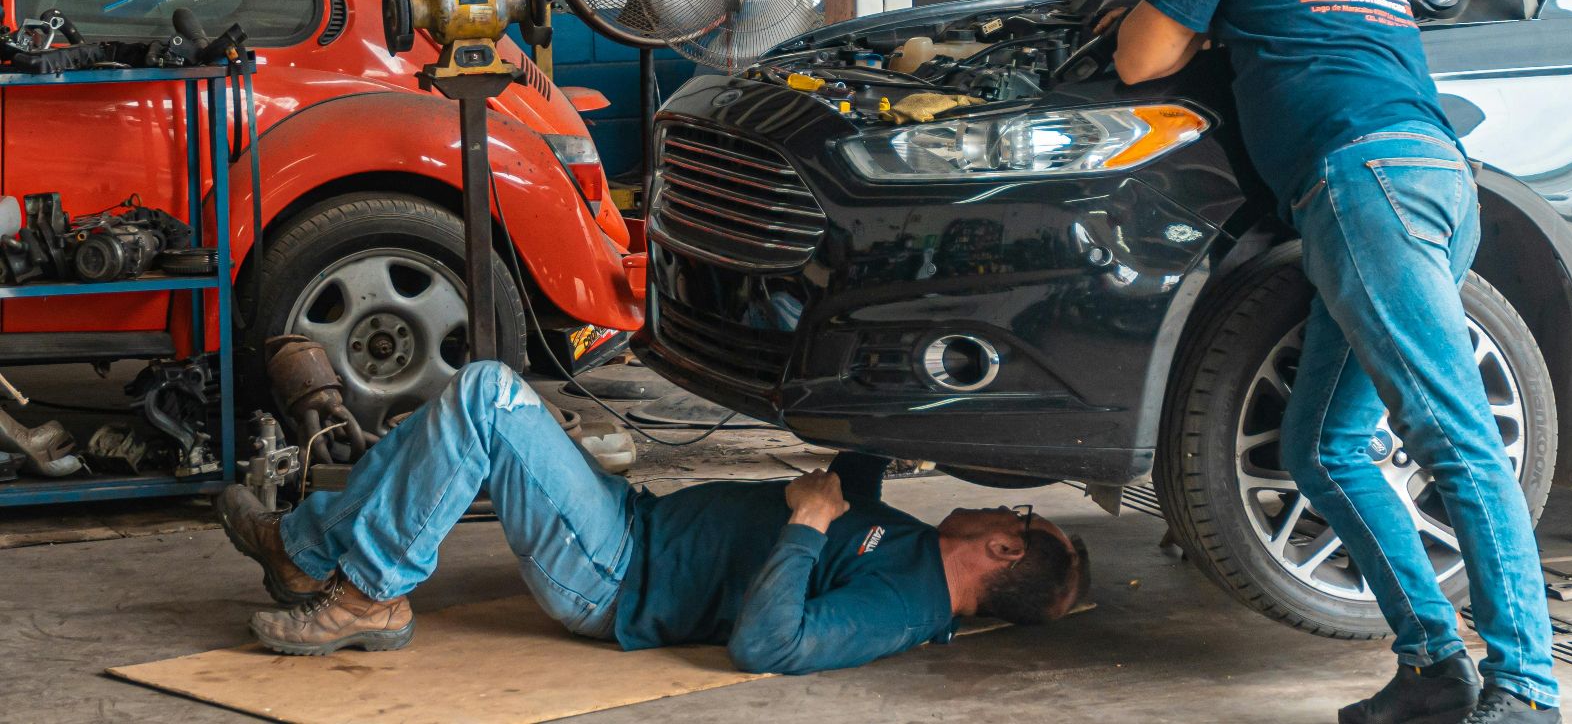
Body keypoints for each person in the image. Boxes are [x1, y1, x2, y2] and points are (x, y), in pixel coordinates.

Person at [1106, 0, 1559, 724]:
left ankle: (1526, 690)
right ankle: (1434, 668)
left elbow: (1139, 59)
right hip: (1434, 176)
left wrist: (1160, 8)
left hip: (1367, 188)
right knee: (1323, 448)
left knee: (1456, 440)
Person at [215, 359, 1089, 673]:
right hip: (633, 526)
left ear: (1004, 548)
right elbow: (855, 484)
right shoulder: (911, 551)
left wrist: (808, 524)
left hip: (614, 578)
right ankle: (303, 551)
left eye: (1014, 513)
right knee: (449, 424)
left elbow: (770, 646)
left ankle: (371, 596)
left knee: (488, 396)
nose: (998, 503)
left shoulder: (901, 608)